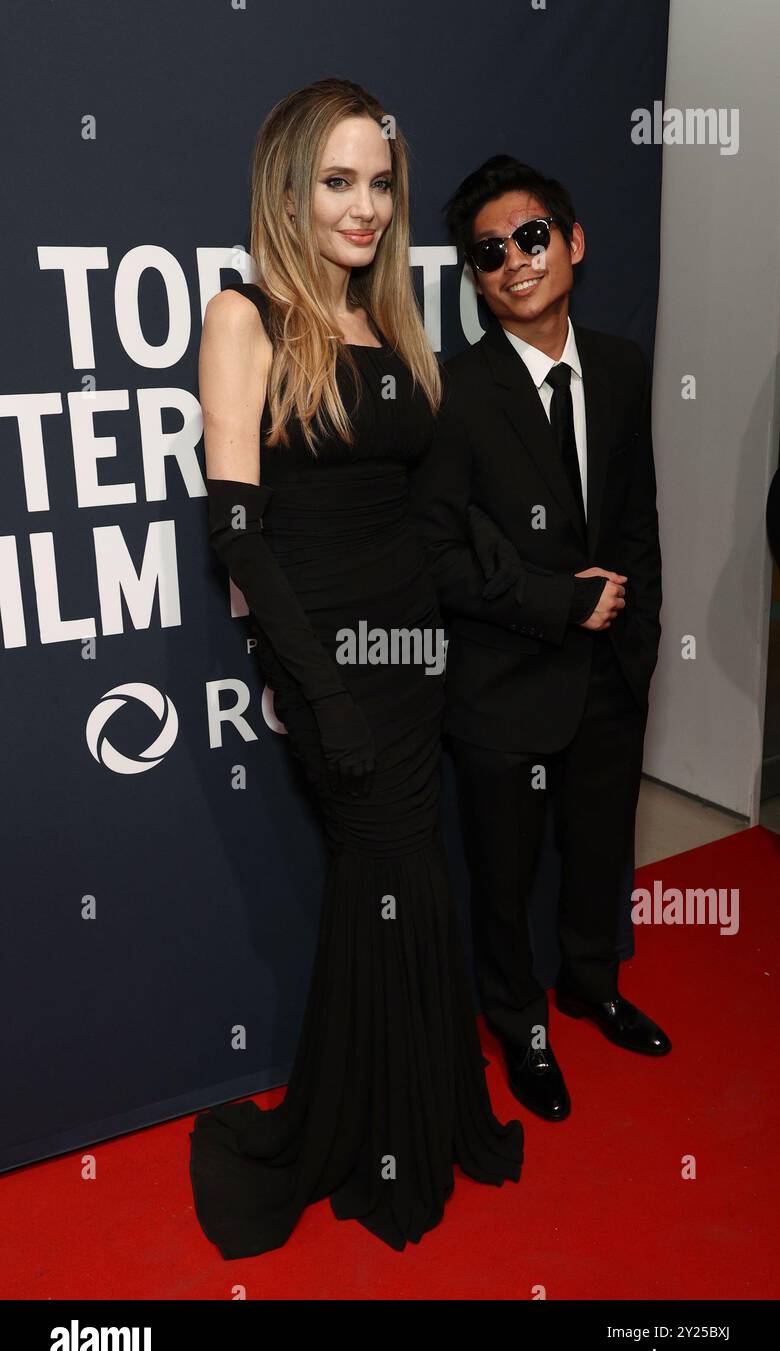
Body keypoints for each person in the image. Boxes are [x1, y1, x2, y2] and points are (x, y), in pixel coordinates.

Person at [188, 84, 523, 1258]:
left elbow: (407, 499)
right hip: (332, 666)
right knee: (393, 883)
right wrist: (321, 690)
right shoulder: (246, 319)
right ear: (289, 185)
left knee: (400, 891)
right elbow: (235, 532)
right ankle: (363, 1140)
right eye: (339, 181)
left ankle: (409, 1119)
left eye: (380, 183)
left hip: (413, 651)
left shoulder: (387, 324)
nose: (365, 206)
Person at [410, 156, 670, 1126]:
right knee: (505, 876)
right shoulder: (456, 391)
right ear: (475, 279)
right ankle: (520, 1022)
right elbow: (437, 556)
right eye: (489, 252)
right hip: (501, 685)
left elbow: (638, 516)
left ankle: (591, 984)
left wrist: (640, 647)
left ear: (573, 242)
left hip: (608, 674)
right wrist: (561, 602)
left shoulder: (620, 364)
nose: (514, 261)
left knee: (600, 852)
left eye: (530, 237)